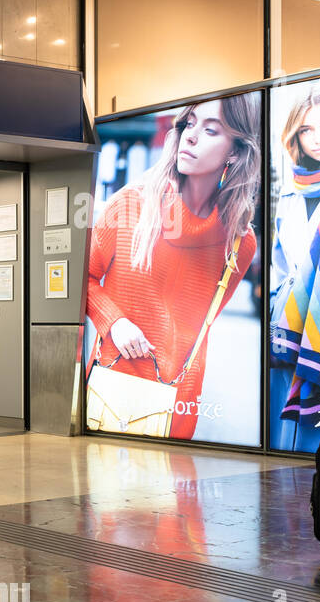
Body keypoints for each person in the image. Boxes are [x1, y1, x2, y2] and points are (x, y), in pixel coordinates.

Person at [85, 94, 261, 439]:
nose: (190, 137)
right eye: (188, 124)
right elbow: (82, 279)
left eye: (211, 130)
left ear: (236, 151)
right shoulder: (129, 205)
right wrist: (114, 322)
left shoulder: (240, 242)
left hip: (179, 400)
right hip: (112, 387)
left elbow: (198, 325)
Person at [270, 82, 320, 451]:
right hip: (289, 335)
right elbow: (281, 265)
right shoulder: (290, 192)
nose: (318, 138)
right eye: (307, 129)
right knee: (287, 447)